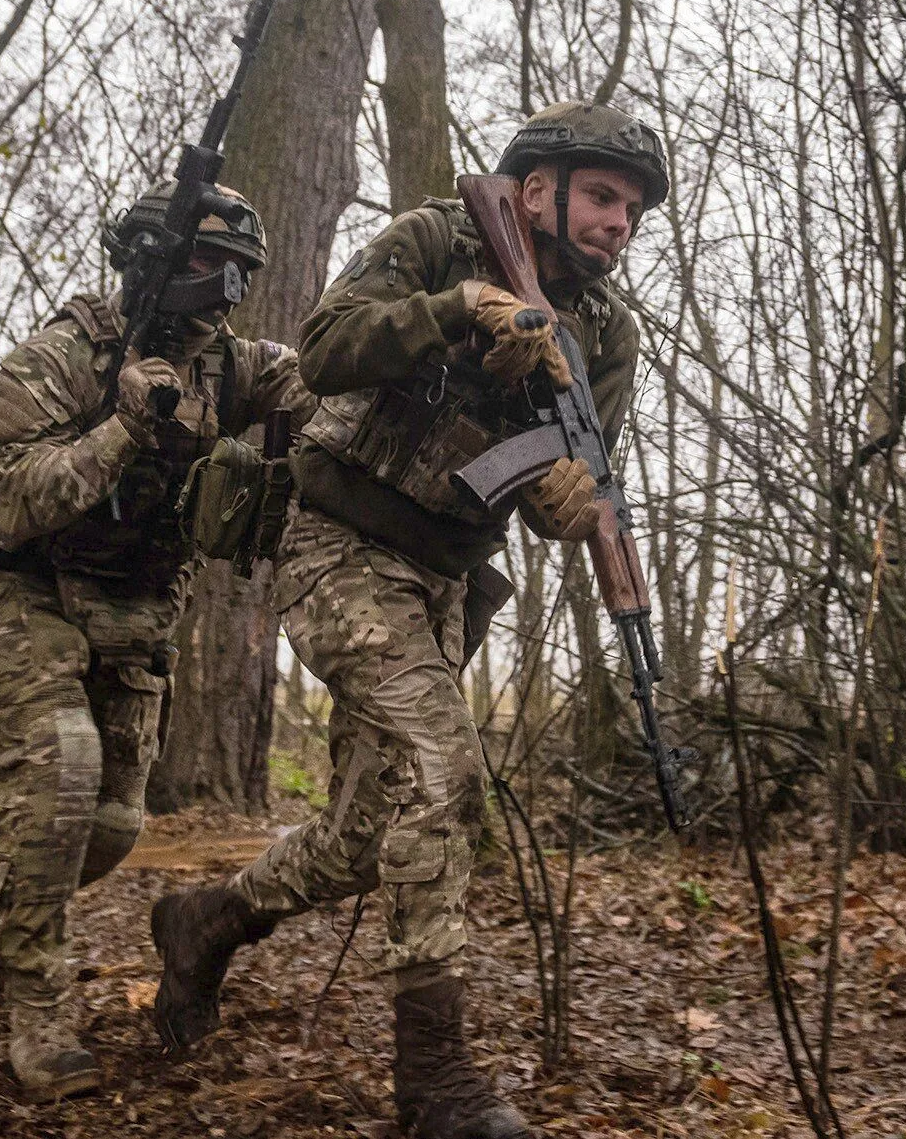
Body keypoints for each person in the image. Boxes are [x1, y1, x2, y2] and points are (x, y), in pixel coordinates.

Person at [150, 102, 668, 1139]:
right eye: (604, 197)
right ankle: (434, 1080)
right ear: (536, 190)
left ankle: (206, 921)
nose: (620, 222)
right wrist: (457, 310)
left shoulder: (607, 332)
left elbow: (558, 474)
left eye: (634, 210)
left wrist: (566, 501)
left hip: (442, 580)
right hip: (337, 540)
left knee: (363, 836)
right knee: (444, 770)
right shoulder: (438, 239)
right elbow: (324, 347)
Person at [0, 181, 314, 1097]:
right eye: (207, 262)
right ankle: (39, 1012)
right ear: (153, 258)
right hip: (25, 596)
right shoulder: (61, 355)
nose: (225, 288)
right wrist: (121, 428)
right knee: (65, 772)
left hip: (134, 614)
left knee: (113, 826)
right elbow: (7, 501)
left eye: (239, 269)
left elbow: (317, 380)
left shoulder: (229, 368)